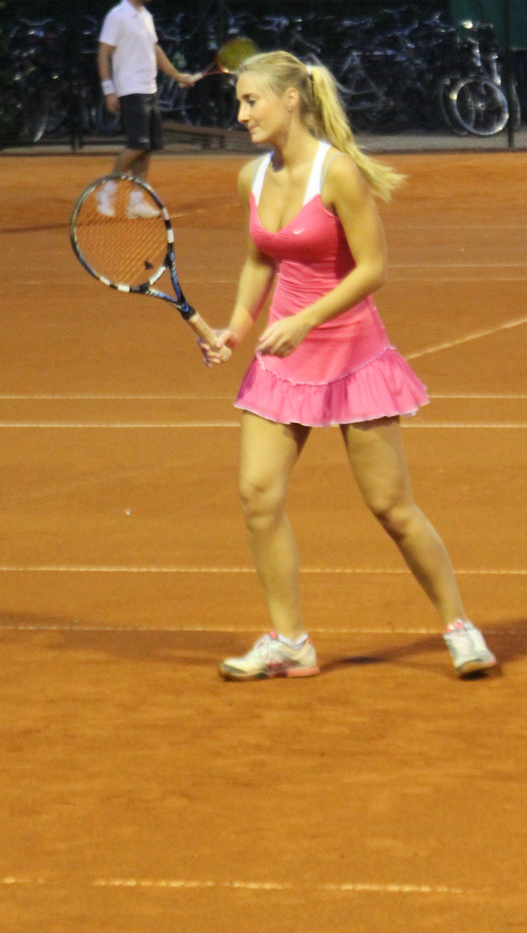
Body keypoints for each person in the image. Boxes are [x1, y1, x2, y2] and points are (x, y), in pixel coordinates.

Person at [201, 50, 497, 681]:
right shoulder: (251, 178)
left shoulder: (337, 174)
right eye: (239, 102)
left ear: (290, 100)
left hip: (351, 356)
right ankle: (290, 642)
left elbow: (373, 269)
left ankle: (459, 626)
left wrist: (304, 320)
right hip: (282, 359)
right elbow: (260, 257)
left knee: (391, 507)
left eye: (251, 101)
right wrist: (237, 328)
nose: (241, 114)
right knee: (257, 495)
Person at [94, 0, 198, 217]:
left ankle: (136, 201)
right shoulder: (117, 16)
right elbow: (103, 54)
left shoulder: (146, 16)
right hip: (130, 89)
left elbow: (156, 50)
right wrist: (109, 90)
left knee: (147, 147)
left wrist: (177, 76)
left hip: (149, 88)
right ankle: (106, 191)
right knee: (137, 144)